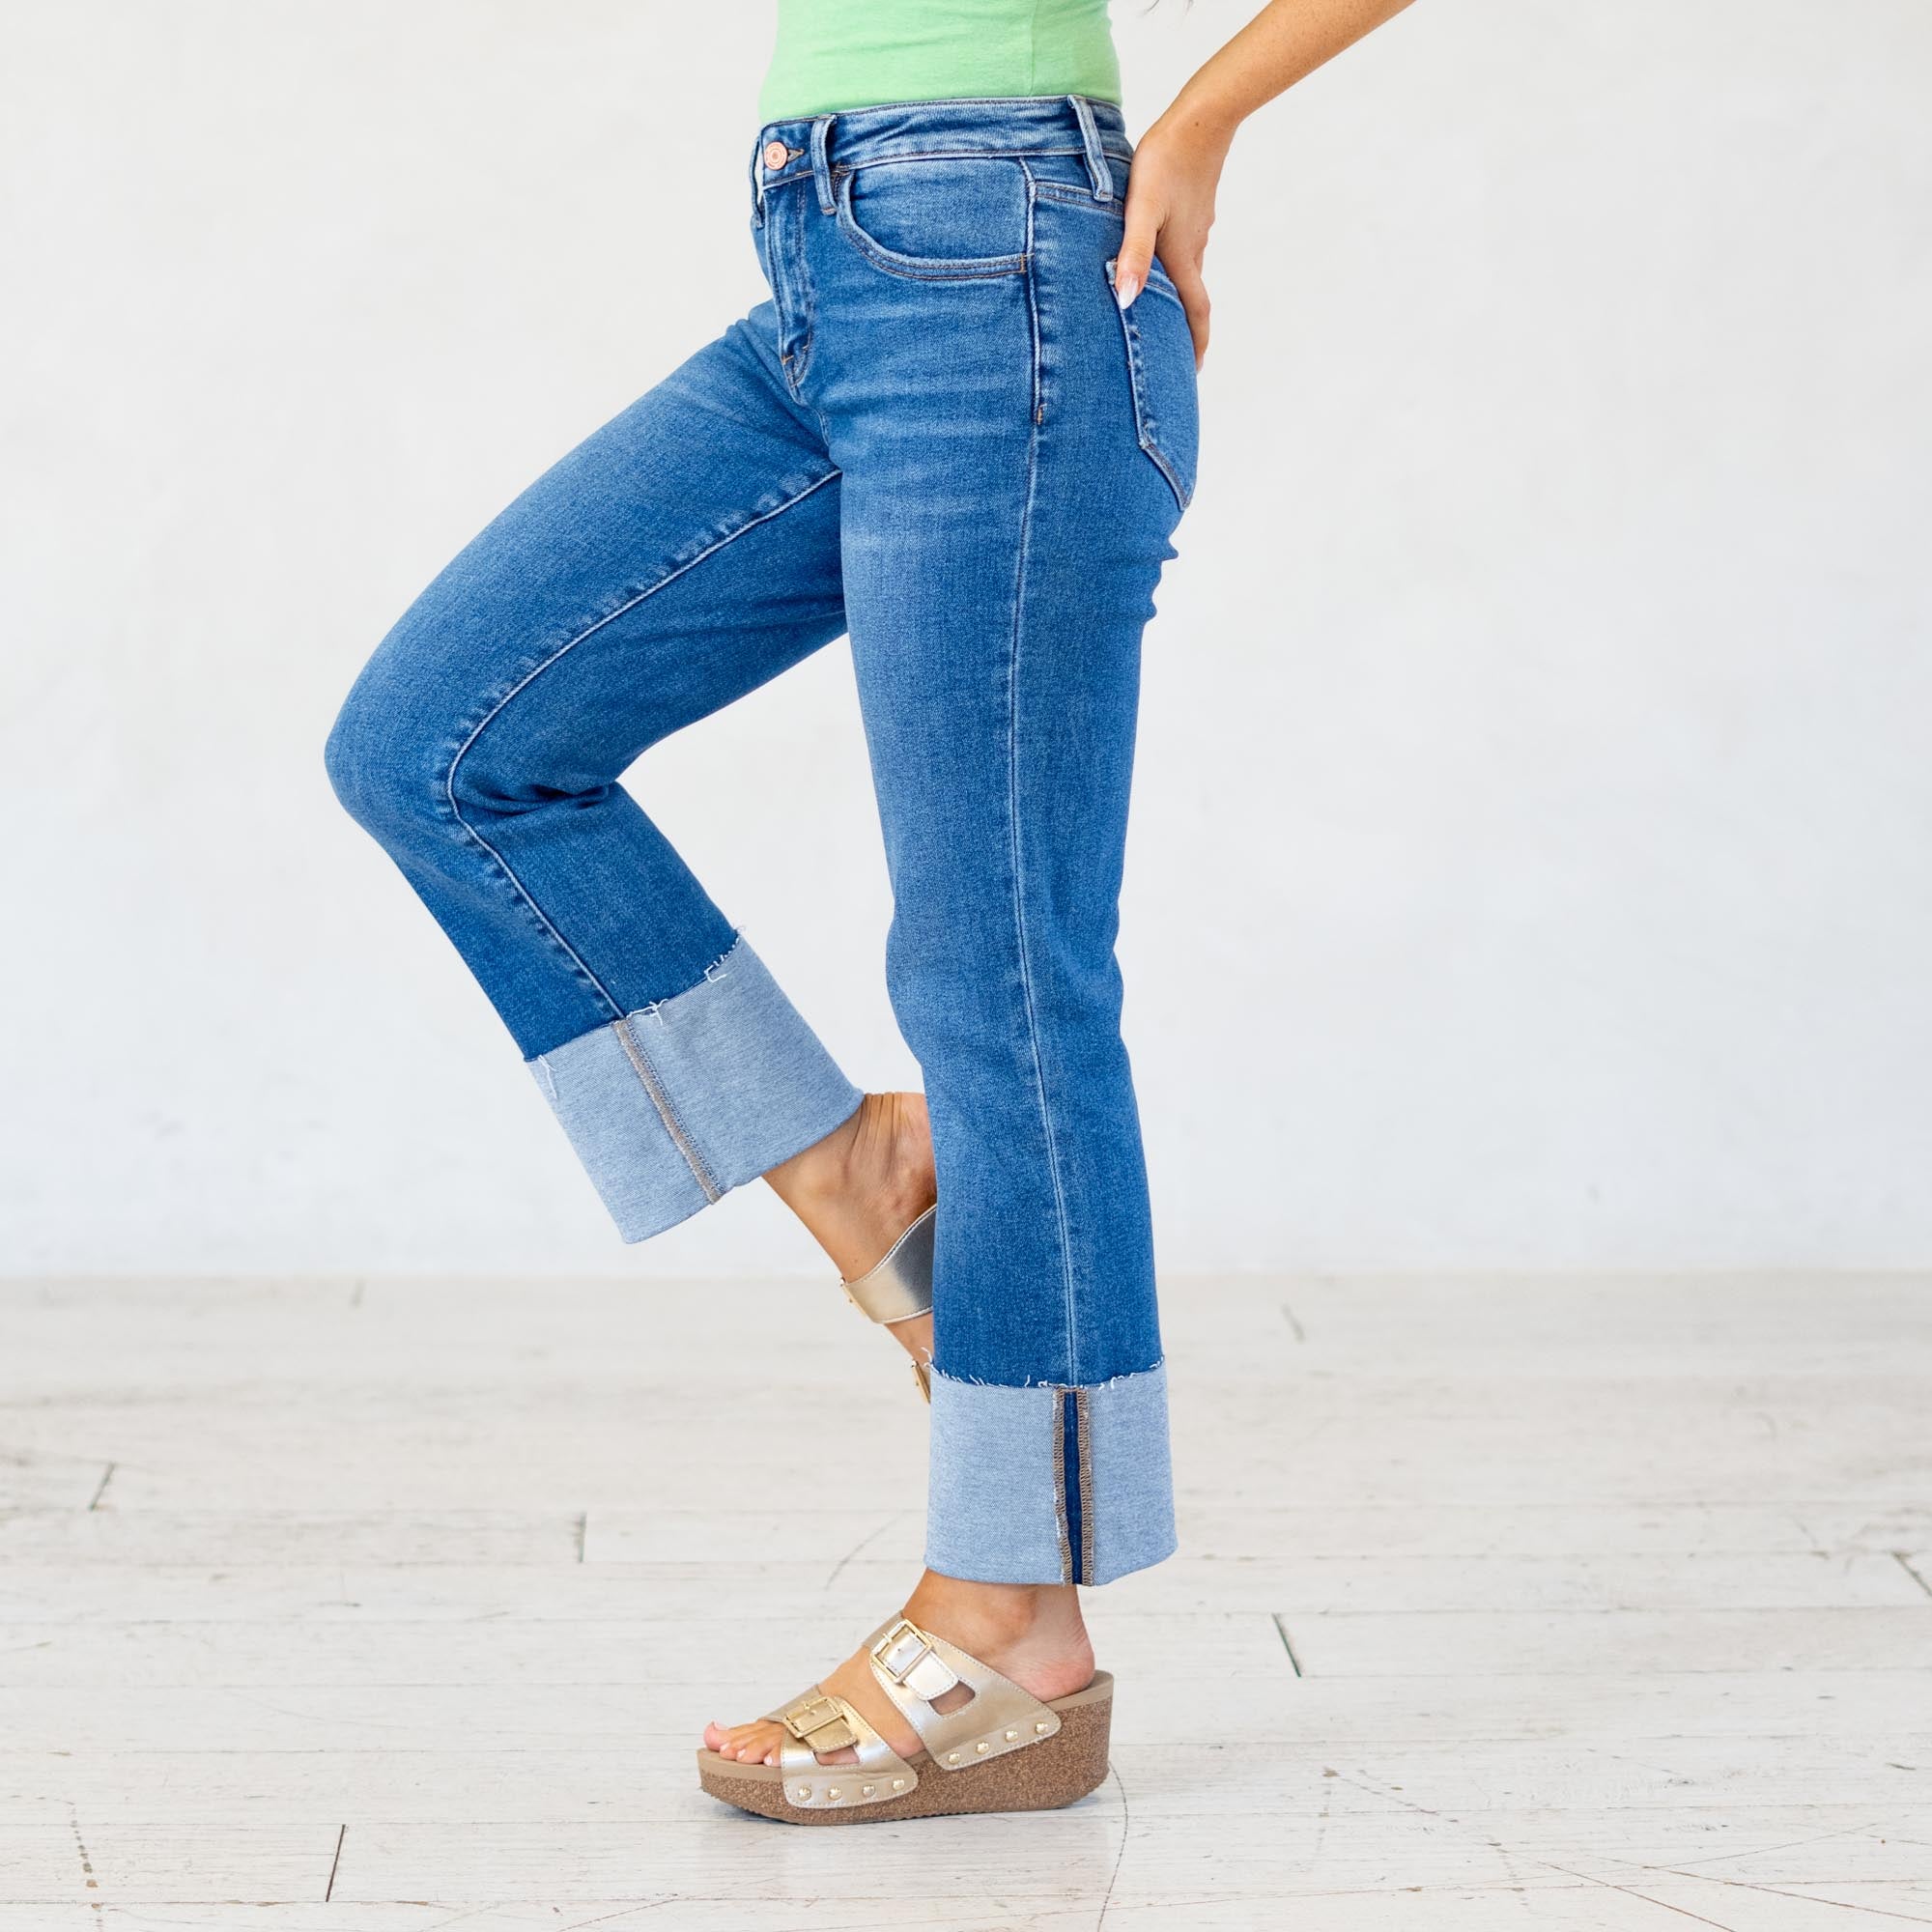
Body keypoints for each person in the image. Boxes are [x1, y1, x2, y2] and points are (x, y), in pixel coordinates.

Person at [324, 0, 1415, 1825]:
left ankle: (1013, 1621)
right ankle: (853, 1171)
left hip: (1007, 260)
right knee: (441, 748)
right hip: (832, 266)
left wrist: (1206, 121)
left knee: (1003, 978)